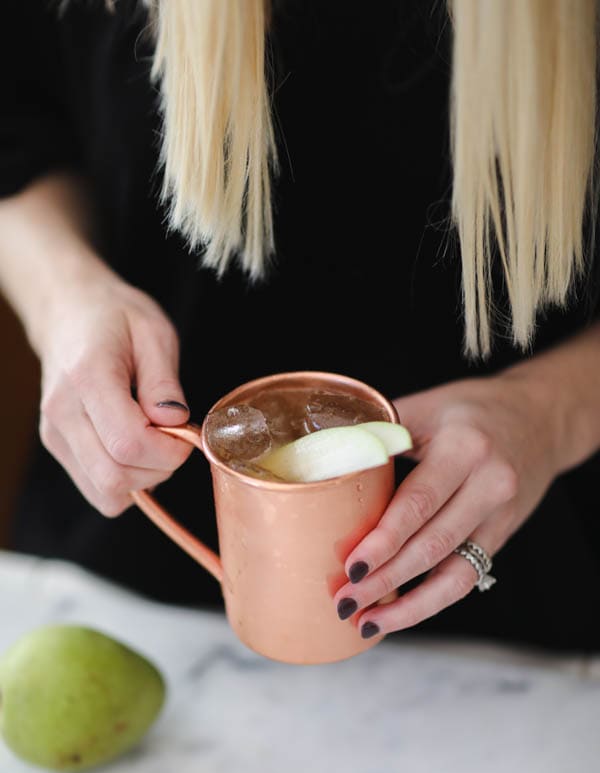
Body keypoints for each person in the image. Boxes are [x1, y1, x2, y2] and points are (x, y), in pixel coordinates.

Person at [1, 0, 598, 651]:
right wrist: (65, 296)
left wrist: (551, 412)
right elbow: (20, 123)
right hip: (123, 596)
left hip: (531, 619)